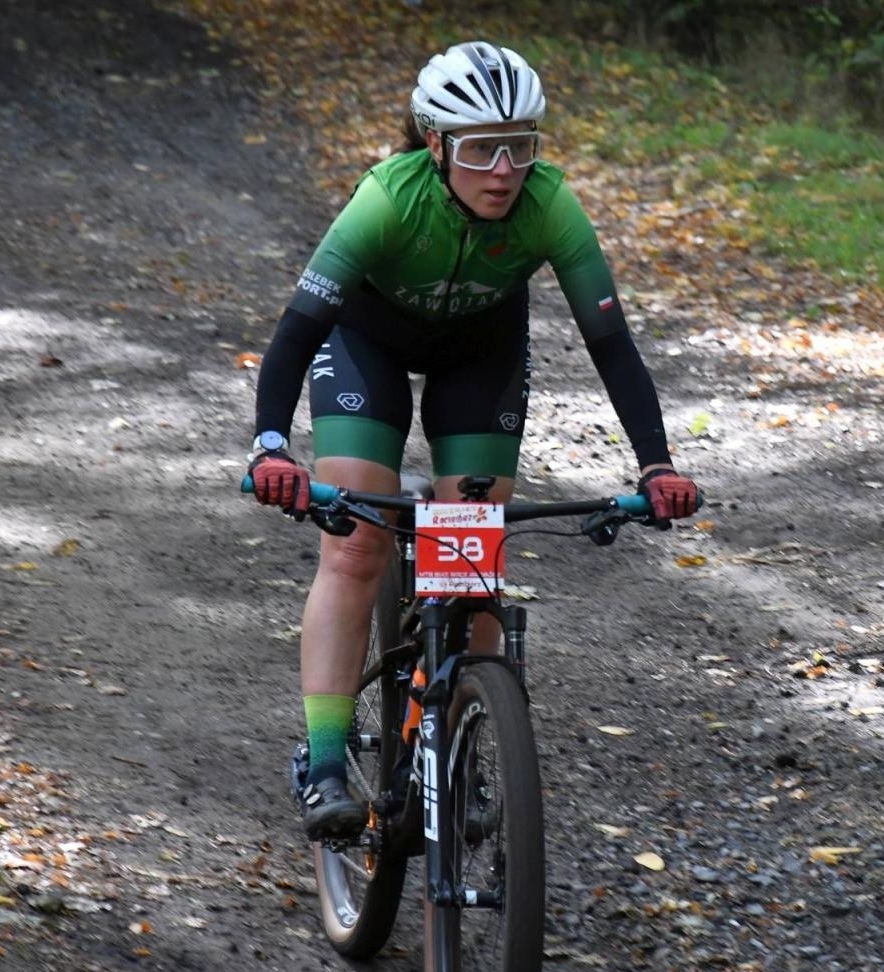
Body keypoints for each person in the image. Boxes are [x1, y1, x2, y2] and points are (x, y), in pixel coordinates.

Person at [245, 41, 700, 839]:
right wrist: (271, 447)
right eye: (482, 147)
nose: (504, 169)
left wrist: (655, 462)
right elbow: (295, 333)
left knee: (472, 554)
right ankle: (322, 761)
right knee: (354, 544)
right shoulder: (386, 199)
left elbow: (613, 346)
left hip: (478, 358)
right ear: (436, 145)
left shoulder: (550, 205)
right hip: (367, 349)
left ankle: (455, 749)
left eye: (521, 146)